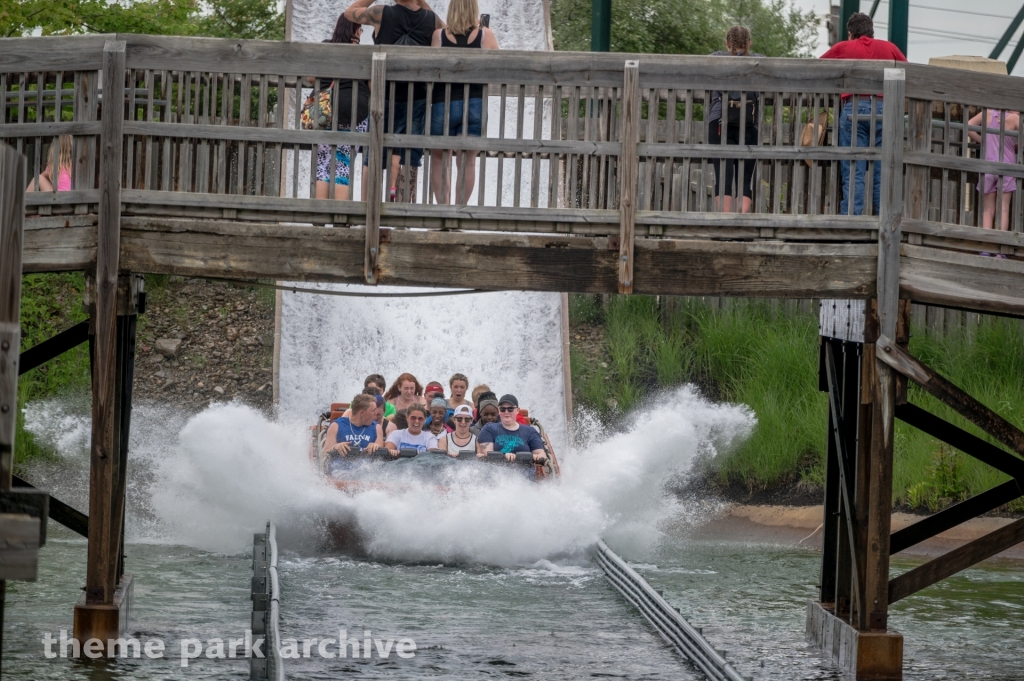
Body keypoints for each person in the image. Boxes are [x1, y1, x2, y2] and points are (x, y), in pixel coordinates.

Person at [346, 0, 444, 202]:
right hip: (416, 97)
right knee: (410, 156)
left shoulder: (381, 13)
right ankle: (402, 210)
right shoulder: (432, 19)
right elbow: (444, 30)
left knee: (373, 153)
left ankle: (368, 207)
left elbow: (349, 13)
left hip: (384, 95)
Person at [820, 13, 907, 216]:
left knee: (853, 169)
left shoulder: (844, 47)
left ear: (850, 34)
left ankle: (851, 222)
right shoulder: (890, 48)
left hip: (854, 108)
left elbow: (817, 68)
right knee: (883, 170)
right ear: (871, 31)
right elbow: (909, 72)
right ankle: (884, 221)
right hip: (885, 108)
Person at [428, 0, 499, 205]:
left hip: (443, 104)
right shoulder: (486, 35)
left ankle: (444, 210)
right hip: (474, 103)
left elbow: (432, 70)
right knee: (467, 162)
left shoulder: (438, 36)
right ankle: (459, 210)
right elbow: (499, 66)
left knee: (439, 160)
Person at [314, 15, 371, 201]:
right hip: (354, 112)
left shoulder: (325, 47)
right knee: (343, 165)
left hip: (326, 111)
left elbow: (310, 77)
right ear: (356, 31)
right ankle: (340, 215)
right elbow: (372, 85)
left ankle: (320, 214)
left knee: (323, 165)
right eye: (360, 29)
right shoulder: (364, 53)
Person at [707, 27, 763, 214]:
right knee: (745, 179)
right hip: (749, 123)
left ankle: (725, 223)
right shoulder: (759, 61)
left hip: (719, 122)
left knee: (723, 176)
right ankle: (741, 223)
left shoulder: (716, 58)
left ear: (727, 43)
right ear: (749, 44)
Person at [968, 108, 1020, 240]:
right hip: (1007, 167)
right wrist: (1019, 145)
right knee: (1003, 209)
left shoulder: (986, 113)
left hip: (988, 165)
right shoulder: (1015, 119)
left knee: (988, 209)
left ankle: (986, 244)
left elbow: (968, 126)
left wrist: (982, 140)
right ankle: (1000, 243)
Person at [477, 394, 546, 463]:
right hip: (497, 469)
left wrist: (536, 457)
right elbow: (487, 456)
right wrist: (504, 457)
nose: (506, 412)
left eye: (510, 409)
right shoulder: (489, 429)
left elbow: (542, 455)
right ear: (499, 410)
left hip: (524, 469)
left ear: (517, 410)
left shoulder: (530, 431)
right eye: (502, 409)